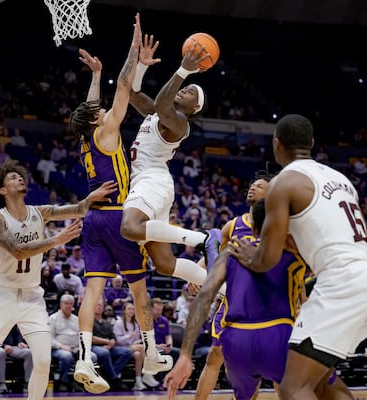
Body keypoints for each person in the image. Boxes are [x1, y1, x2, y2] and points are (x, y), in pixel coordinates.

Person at [228, 114, 367, 400]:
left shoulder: (283, 182)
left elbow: (266, 260)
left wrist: (253, 255)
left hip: (342, 283)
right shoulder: (341, 179)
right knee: (320, 381)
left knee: (293, 387)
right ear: (311, 144)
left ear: (277, 145)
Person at [70, 15, 173, 394]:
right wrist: (133, 48)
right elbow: (126, 86)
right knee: (139, 290)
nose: (104, 111)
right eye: (100, 110)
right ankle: (151, 351)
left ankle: (83, 358)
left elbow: (89, 106)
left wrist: (95, 75)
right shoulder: (107, 128)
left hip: (93, 222)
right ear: (98, 119)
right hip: (118, 219)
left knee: (91, 293)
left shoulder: (86, 139)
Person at [0, 159, 116, 400]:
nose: (19, 178)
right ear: (2, 190)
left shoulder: (39, 212)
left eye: (19, 175)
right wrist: (57, 240)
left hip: (32, 296)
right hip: (2, 295)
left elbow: (75, 209)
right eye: (12, 177)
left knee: (44, 361)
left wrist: (90, 199)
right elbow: (17, 250)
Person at [164, 199, 307, 399]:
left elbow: (203, 295)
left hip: (244, 335)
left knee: (263, 385)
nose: (254, 188)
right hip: (269, 328)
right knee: (305, 387)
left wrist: (186, 354)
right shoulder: (291, 248)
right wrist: (199, 268)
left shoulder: (241, 252)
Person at [120, 21, 216, 289]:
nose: (186, 90)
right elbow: (132, 94)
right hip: (149, 184)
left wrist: (184, 69)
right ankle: (222, 289)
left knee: (129, 227)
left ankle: (203, 239)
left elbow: (163, 103)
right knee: (164, 264)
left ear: (194, 108)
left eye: (191, 93)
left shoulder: (179, 124)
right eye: (187, 87)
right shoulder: (157, 113)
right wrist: (142, 65)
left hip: (153, 181)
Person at [193, 173, 272, 400]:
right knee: (215, 355)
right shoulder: (233, 225)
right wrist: (197, 272)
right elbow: (218, 255)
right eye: (252, 184)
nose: (252, 188)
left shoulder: (276, 226)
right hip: (232, 303)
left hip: (262, 305)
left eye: (259, 186)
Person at [114, 301, 160, 390]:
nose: (131, 311)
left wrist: (136, 341)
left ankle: (138, 381)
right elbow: (118, 340)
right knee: (142, 347)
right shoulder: (118, 323)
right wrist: (129, 336)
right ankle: (147, 373)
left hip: (133, 348)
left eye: (133, 309)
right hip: (121, 347)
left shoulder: (135, 324)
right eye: (129, 309)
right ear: (124, 311)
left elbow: (137, 339)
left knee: (138, 355)